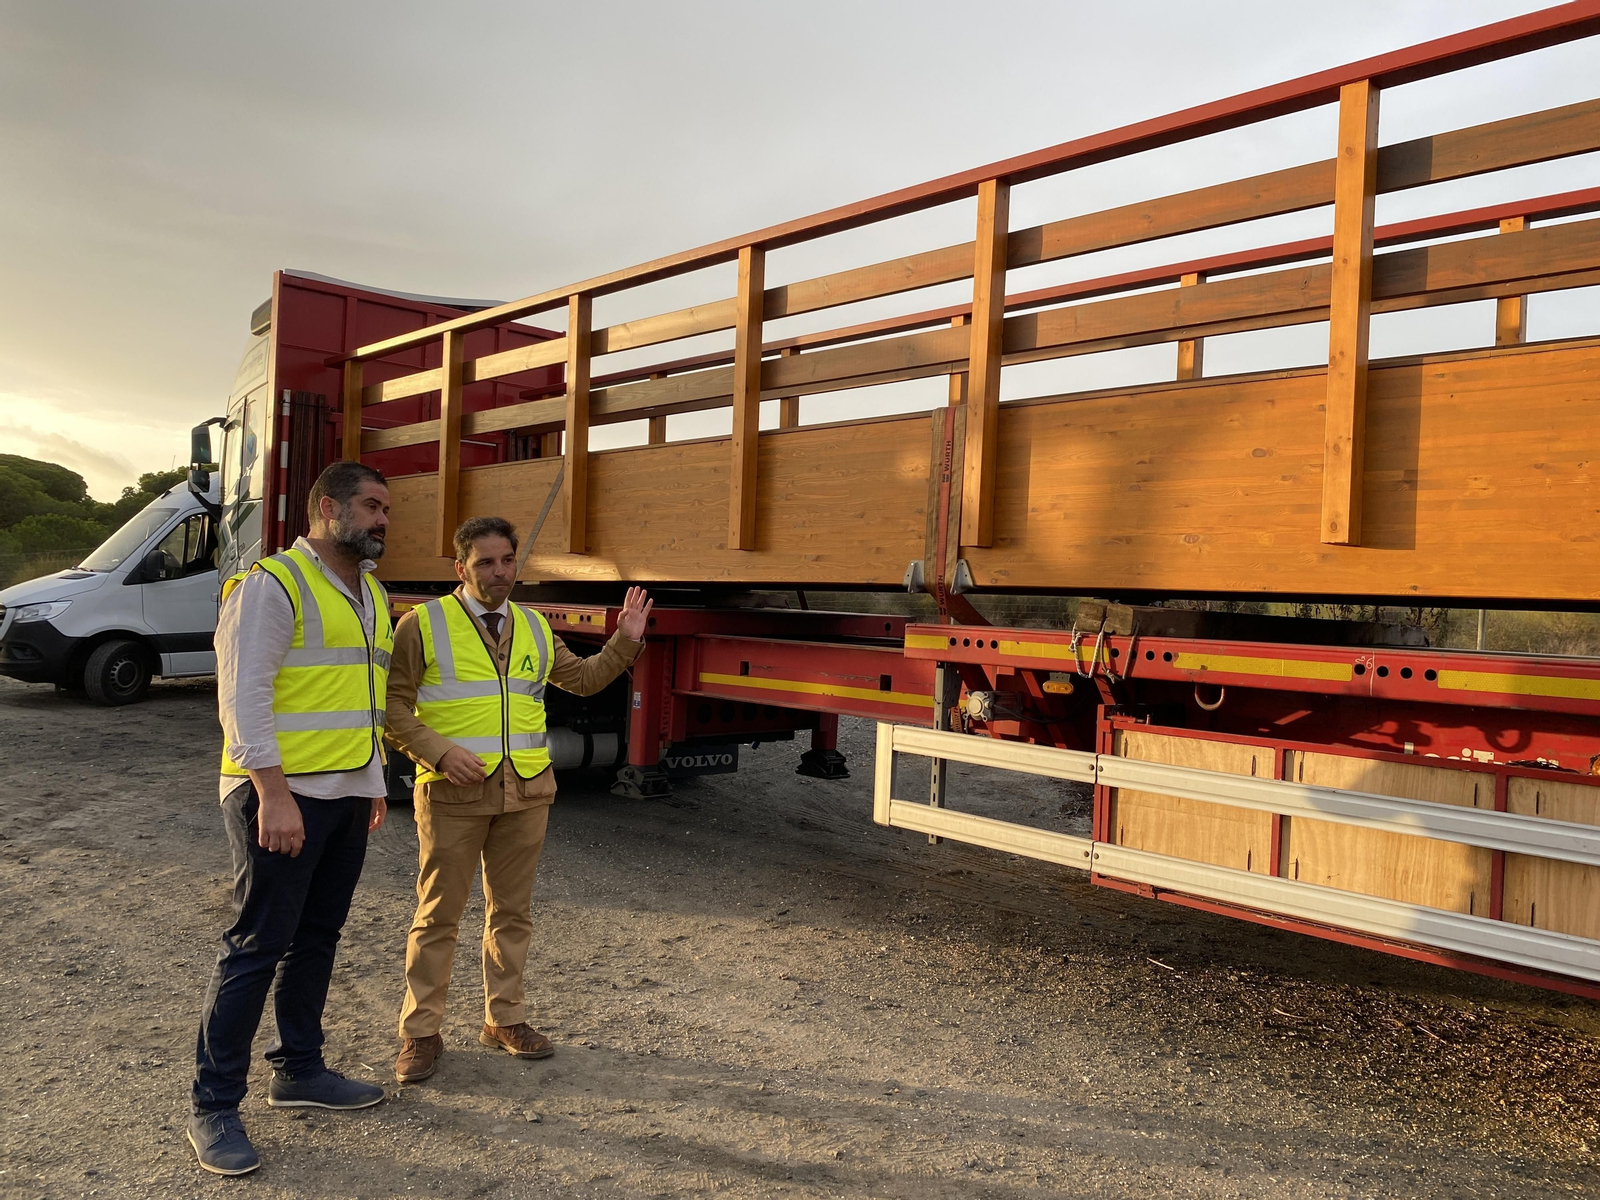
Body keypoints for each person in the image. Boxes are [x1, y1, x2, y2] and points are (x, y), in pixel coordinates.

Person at [384, 515, 651, 1083]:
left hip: (526, 791)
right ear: (461, 568)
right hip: (453, 792)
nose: (499, 572)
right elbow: (392, 707)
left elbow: (581, 680)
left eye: (507, 561)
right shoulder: (421, 625)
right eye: (485, 562)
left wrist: (625, 640)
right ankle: (421, 1032)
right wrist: (437, 753)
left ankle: (504, 1018)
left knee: (512, 913)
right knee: (438, 917)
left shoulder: (531, 626)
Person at [188, 462, 394, 1176]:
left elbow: (360, 698)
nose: (382, 519)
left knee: (317, 938)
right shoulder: (273, 585)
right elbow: (242, 698)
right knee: (256, 945)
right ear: (327, 508)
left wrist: (372, 783)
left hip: (343, 797)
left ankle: (299, 1070)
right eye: (370, 505)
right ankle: (213, 1107)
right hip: (279, 797)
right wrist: (273, 794)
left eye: (385, 509)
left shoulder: (369, 593)